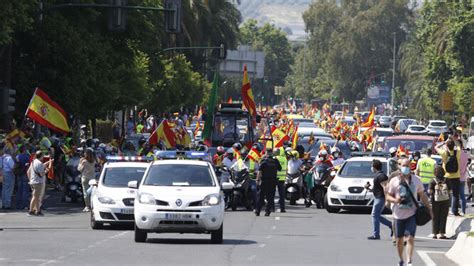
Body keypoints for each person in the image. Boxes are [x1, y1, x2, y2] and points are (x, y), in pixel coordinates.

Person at [386, 159, 432, 266]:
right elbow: (388, 195)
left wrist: (429, 208)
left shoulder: (416, 180)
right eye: (403, 165)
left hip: (412, 214)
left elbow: (422, 195)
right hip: (398, 215)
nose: (405, 167)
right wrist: (395, 200)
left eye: (407, 165)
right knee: (399, 240)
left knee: (410, 238)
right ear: (399, 166)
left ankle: (409, 260)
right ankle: (401, 259)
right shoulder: (394, 181)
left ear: (410, 166)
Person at [366, 159, 392, 240]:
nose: (371, 168)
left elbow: (385, 188)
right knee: (376, 216)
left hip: (380, 198)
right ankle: (391, 225)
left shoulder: (381, 176)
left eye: (371, 166)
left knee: (374, 215)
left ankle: (376, 235)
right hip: (378, 197)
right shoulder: (379, 175)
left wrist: (387, 200)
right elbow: (377, 188)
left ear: (374, 167)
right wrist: (369, 189)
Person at [435, 139, 461, 216]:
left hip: (447, 176)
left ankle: (444, 210)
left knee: (444, 194)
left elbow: (436, 147)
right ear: (454, 146)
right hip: (456, 175)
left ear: (446, 146)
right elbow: (459, 145)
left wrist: (443, 143)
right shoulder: (457, 152)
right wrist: (453, 139)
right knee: (455, 194)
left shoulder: (444, 153)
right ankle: (455, 211)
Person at [255, 149, 281, 216]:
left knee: (261, 196)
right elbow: (279, 168)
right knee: (270, 197)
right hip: (273, 181)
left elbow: (259, 172)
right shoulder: (275, 161)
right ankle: (267, 211)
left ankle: (258, 211)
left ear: (266, 153)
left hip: (264, 181)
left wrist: (258, 180)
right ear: (272, 153)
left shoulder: (263, 161)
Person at [429, 166, 451, 239]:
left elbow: (430, 191)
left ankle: (435, 234)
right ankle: (442, 234)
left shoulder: (433, 180)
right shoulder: (446, 180)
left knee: (435, 217)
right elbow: (450, 190)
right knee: (443, 217)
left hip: (435, 201)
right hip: (445, 200)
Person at [28, 151, 47, 216]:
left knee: (35, 196)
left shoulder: (33, 162)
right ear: (41, 156)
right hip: (38, 182)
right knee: (36, 197)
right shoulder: (39, 163)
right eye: (43, 156)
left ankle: (34, 210)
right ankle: (34, 211)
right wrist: (46, 171)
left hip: (33, 181)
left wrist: (30, 180)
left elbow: (28, 172)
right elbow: (41, 174)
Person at [16, 145, 31, 210]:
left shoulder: (18, 156)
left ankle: (18, 205)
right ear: (24, 149)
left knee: (19, 190)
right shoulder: (27, 156)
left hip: (19, 174)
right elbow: (30, 164)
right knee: (25, 190)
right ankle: (24, 205)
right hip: (25, 173)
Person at [1, 145, 15, 209]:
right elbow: (12, 167)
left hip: (3, 173)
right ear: (9, 151)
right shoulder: (9, 158)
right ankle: (7, 205)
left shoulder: (2, 157)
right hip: (9, 174)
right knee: (9, 189)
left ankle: (3, 204)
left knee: (4, 189)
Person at [274, 147, 287, 213]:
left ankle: (272, 208)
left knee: (272, 194)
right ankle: (282, 209)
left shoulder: (274, 159)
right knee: (282, 195)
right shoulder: (284, 159)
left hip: (274, 178)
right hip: (282, 179)